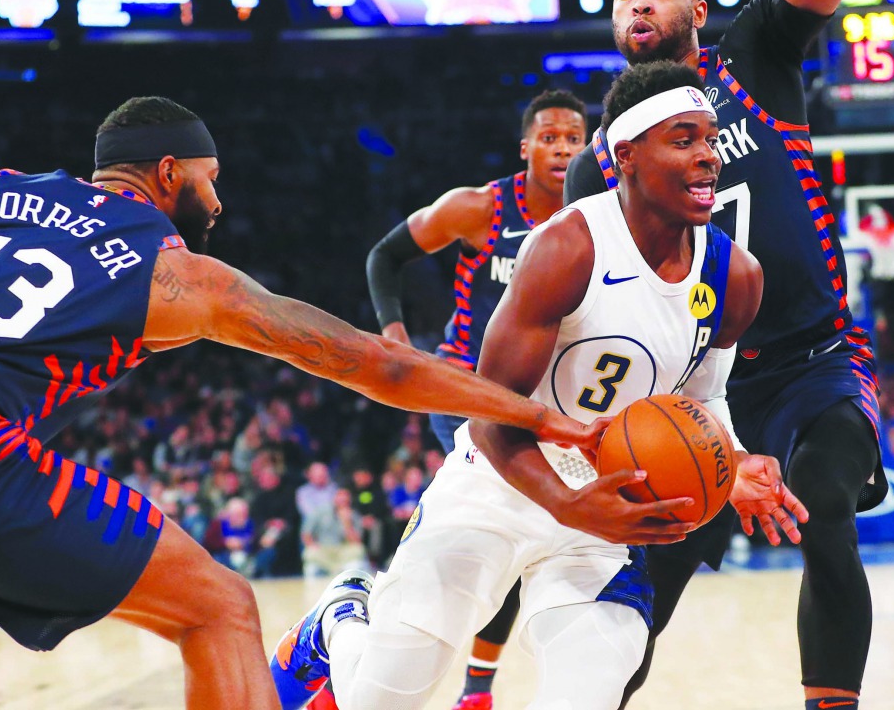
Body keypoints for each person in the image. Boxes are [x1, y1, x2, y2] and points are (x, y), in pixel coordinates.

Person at [0, 96, 604, 710]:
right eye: (210, 178)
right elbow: (379, 366)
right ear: (167, 174)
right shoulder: (177, 274)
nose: (219, 202)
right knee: (220, 608)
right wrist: (535, 414)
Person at [272, 63, 806, 710]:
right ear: (627, 154)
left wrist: (735, 458)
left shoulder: (735, 275)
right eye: (684, 139)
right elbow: (491, 416)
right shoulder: (566, 248)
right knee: (379, 699)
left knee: (591, 686)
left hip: (606, 505)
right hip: (498, 478)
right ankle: (342, 614)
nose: (708, 158)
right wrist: (562, 498)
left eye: (711, 140)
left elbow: (703, 397)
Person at [563, 0, 883, 708]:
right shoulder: (602, 161)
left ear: (697, 12)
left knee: (819, 502)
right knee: (641, 585)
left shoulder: (756, 54)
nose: (640, 2)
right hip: (691, 392)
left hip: (814, 364)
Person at [366, 88, 587, 707]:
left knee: (519, 532)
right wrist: (394, 337)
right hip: (465, 384)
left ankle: (476, 686)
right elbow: (386, 257)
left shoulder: (598, 213)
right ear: (526, 147)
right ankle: (407, 647)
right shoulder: (480, 208)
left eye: (573, 137)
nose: (562, 148)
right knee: (506, 512)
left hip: (544, 396)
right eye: (550, 137)